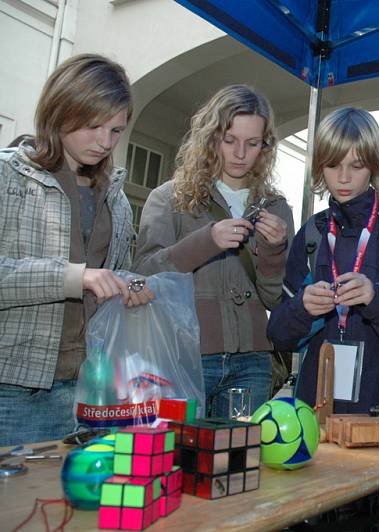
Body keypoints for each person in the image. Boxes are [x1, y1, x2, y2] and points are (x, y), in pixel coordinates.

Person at [0, 54, 153, 446]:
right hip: (14, 387)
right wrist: (73, 277)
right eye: (93, 126)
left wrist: (129, 288)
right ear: (60, 111)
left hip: (89, 387)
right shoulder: (8, 176)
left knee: (73, 506)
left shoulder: (115, 199)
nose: (105, 142)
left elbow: (111, 274)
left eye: (116, 130)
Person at [268, 107, 379, 414]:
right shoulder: (312, 234)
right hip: (313, 412)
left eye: (357, 165)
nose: (344, 177)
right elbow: (279, 336)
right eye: (333, 165)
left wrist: (377, 298)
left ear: (374, 166)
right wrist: (302, 308)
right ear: (320, 167)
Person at [134, 85, 293, 418]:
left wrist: (274, 251)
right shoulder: (170, 198)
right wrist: (206, 241)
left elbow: (274, 299)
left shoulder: (276, 207)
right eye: (229, 140)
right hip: (186, 355)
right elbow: (145, 274)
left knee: (238, 465)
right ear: (210, 137)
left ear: (265, 146)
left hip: (253, 360)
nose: (240, 153)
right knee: (181, 460)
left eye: (252, 144)